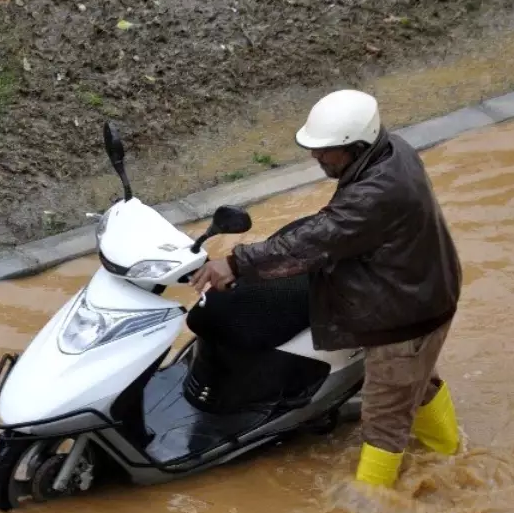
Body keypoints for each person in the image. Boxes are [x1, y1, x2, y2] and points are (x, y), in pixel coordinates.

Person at [189, 89, 462, 488]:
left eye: (327, 151)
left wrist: (234, 262)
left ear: (354, 147)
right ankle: (450, 455)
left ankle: (372, 508)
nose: (317, 158)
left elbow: (315, 240)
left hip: (406, 314)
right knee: (417, 383)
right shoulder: (391, 149)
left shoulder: (375, 193)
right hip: (422, 290)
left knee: (385, 418)